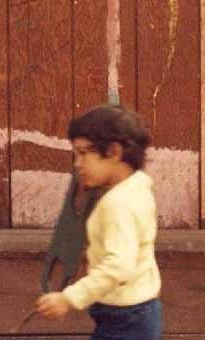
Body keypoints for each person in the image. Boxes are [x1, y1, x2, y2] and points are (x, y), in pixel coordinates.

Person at [36, 104, 162, 340]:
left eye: (84, 153)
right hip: (138, 310)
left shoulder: (119, 203)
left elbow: (118, 265)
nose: (77, 163)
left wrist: (68, 298)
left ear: (114, 152)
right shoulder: (136, 188)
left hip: (125, 319)